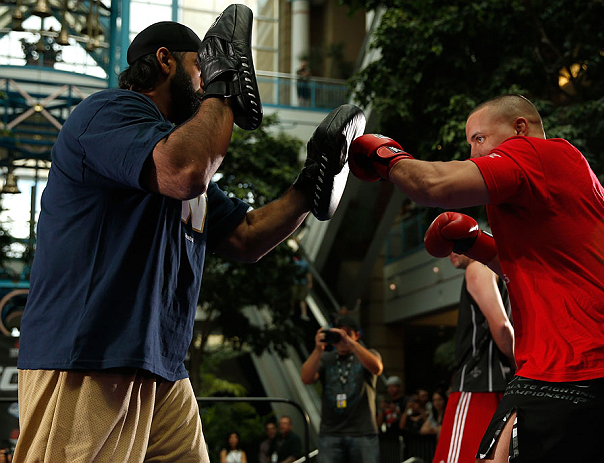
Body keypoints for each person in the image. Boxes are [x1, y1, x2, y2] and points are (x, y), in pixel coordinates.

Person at [14, 4, 366, 461]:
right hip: (88, 356)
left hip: (160, 365)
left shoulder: (170, 152)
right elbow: (185, 169)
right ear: (164, 61)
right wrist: (224, 88)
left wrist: (312, 180)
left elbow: (246, 235)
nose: (207, 80)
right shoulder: (107, 113)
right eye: (202, 66)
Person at [349, 94, 604, 462]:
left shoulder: (537, 155)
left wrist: (386, 157)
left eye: (479, 139)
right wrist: (473, 243)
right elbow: (521, 266)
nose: (473, 153)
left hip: (579, 360)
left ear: (520, 129)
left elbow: (431, 185)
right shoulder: (553, 185)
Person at [432, 252, 514, 463]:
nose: (449, 252)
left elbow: (503, 327)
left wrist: (519, 362)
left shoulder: (477, 268)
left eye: (454, 244)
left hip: (476, 387)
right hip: (501, 386)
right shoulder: (503, 271)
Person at [301, 315, 383, 463]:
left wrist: (352, 344)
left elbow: (377, 368)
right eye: (339, 334)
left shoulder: (367, 354)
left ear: (357, 335)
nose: (343, 340)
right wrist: (318, 349)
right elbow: (306, 378)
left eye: (347, 334)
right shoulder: (326, 358)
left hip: (362, 432)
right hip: (331, 432)